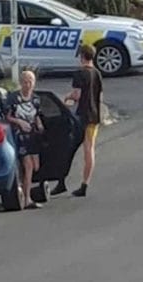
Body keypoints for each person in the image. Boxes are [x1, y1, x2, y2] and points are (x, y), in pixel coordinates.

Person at [64, 44, 103, 198]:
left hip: (82, 115)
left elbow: (77, 95)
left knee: (74, 147)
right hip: (94, 115)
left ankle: (66, 180)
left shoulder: (79, 73)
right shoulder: (97, 73)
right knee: (90, 148)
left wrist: (67, 97)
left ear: (82, 56)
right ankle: (85, 182)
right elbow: (100, 96)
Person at [4, 69, 44, 210]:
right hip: (20, 136)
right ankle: (27, 199)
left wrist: (39, 124)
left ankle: (24, 188)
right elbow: (7, 117)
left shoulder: (36, 99)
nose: (28, 85)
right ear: (21, 83)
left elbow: (37, 115)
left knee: (35, 166)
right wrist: (19, 122)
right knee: (28, 166)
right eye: (25, 82)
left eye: (30, 82)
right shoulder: (13, 98)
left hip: (33, 136)